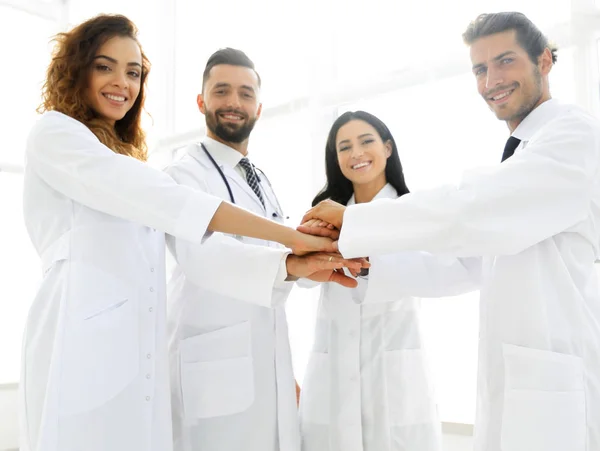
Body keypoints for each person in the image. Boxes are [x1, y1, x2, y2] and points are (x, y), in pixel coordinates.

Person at [20, 16, 334, 451]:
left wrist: (293, 259)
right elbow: (185, 223)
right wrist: (290, 241)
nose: (121, 82)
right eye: (104, 66)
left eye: (133, 72)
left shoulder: (131, 161)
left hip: (137, 356)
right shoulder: (56, 134)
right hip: (80, 347)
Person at [301, 12, 600, 451]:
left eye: (505, 61)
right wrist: (360, 268)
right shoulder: (521, 154)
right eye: (480, 69)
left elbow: (468, 210)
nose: (491, 80)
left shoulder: (574, 136)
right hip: (522, 378)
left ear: (544, 61)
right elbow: (461, 266)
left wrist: (356, 224)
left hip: (555, 379)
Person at [164, 48, 366, 451]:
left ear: (258, 107)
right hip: (213, 371)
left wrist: (314, 251)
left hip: (265, 364)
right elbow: (203, 257)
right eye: (222, 91)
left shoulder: (261, 179)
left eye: (245, 93)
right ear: (202, 101)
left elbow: (276, 261)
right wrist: (293, 262)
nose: (234, 102)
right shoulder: (181, 175)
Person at [298, 111, 479, 451]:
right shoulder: (322, 213)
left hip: (394, 384)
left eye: (366, 142)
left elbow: (446, 275)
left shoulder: (410, 213)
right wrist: (312, 247)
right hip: (332, 382)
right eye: (344, 147)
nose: (356, 154)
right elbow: (301, 280)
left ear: (387, 148)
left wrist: (363, 256)